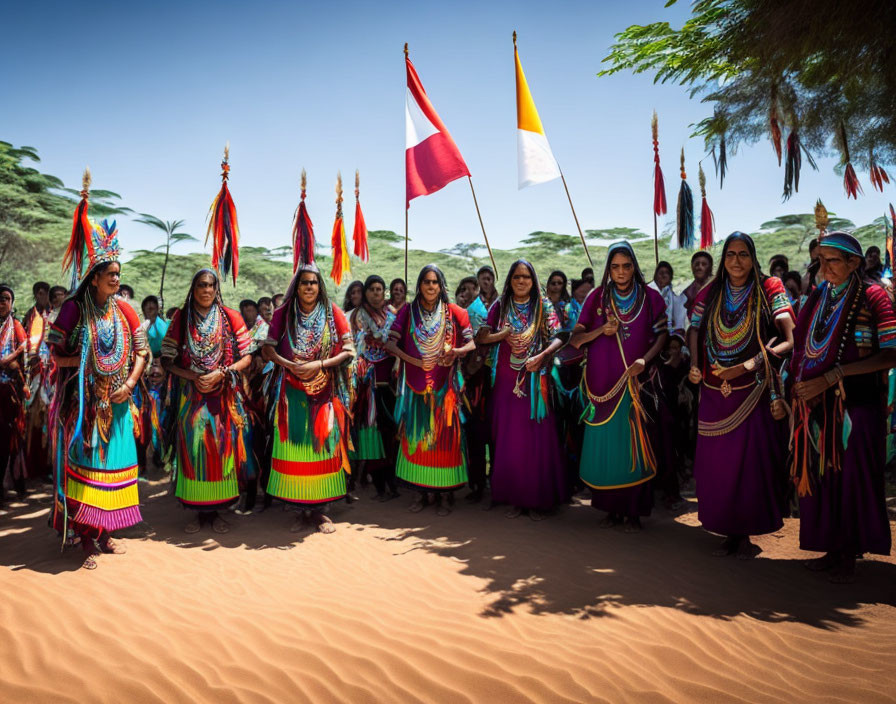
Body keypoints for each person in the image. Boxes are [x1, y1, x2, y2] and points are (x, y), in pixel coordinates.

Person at [791, 232, 896, 583]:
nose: (824, 268)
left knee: (854, 479)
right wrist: (802, 383)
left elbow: (891, 353)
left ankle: (849, 551)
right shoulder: (819, 296)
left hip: (859, 407)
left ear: (854, 263)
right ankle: (832, 547)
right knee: (826, 479)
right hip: (819, 407)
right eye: (820, 260)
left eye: (832, 260)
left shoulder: (873, 296)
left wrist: (835, 375)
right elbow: (802, 345)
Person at [47, 214, 148, 569]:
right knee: (87, 468)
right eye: (111, 275)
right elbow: (54, 352)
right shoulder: (75, 308)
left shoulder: (124, 309)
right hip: (85, 406)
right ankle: (85, 537)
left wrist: (131, 383)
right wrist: (83, 362)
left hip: (119, 402)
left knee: (115, 468)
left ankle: (105, 532)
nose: (117, 280)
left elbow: (142, 351)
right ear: (94, 279)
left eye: (119, 275)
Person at [688, 232, 795, 559]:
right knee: (717, 464)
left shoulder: (770, 288)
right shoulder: (711, 290)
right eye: (731, 254)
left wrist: (748, 365)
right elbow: (693, 328)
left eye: (743, 254)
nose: (736, 261)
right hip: (713, 389)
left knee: (748, 465)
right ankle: (726, 528)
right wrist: (694, 363)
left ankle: (743, 531)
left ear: (753, 257)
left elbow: (789, 338)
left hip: (753, 391)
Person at [570, 242, 668, 532]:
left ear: (634, 266)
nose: (621, 272)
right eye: (615, 266)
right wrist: (601, 330)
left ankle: (634, 511)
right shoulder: (596, 298)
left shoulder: (650, 297)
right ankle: (610, 509)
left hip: (635, 383)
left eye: (626, 266)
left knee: (632, 446)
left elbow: (662, 336)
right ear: (608, 269)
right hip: (601, 386)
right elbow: (576, 340)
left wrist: (644, 360)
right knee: (607, 447)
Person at [261, 264, 355, 533]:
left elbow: (349, 350)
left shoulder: (333, 312)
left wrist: (320, 365)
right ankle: (300, 510)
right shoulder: (283, 314)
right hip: (291, 392)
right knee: (296, 450)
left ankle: (321, 511)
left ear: (320, 286)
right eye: (304, 283)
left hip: (324, 391)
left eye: (314, 282)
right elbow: (267, 350)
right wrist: (287, 364)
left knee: (321, 448)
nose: (309, 287)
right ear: (297, 286)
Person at [161, 269, 256, 534]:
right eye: (201, 285)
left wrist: (222, 372)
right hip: (192, 397)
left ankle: (217, 511)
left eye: (211, 285)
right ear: (194, 288)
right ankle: (198, 512)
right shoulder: (181, 318)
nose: (206, 290)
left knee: (221, 448)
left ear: (216, 289)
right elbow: (167, 359)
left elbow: (247, 356)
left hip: (223, 396)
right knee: (194, 449)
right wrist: (193, 376)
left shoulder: (231, 316)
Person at [477, 260, 567, 519]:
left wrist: (543, 355)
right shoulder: (500, 305)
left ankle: (538, 499)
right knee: (512, 439)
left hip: (536, 380)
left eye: (526, 277)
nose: (521, 281)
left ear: (533, 279)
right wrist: (501, 335)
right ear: (509, 279)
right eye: (516, 277)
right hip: (507, 381)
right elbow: (480, 338)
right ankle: (516, 498)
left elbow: (561, 336)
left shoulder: (543, 305)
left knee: (537, 438)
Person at [385, 265, 475, 515]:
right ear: (420, 285)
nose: (431, 286)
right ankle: (420, 493)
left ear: (441, 285)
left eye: (435, 282)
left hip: (445, 389)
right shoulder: (407, 312)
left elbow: (472, 342)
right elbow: (390, 344)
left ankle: (445, 495)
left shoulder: (455, 312)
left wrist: (456, 352)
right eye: (426, 281)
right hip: (415, 388)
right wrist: (413, 360)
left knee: (445, 441)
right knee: (418, 439)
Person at [350, 275, 399, 502]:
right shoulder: (358, 316)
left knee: (392, 434)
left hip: (391, 383)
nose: (376, 293)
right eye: (372, 289)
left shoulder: (394, 315)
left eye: (380, 289)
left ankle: (394, 482)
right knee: (372, 434)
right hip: (368, 384)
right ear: (366, 292)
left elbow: (399, 343)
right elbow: (357, 346)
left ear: (384, 292)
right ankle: (379, 485)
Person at [0, 284, 27, 509]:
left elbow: (24, 350)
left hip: (8, 391)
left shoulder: (16, 326)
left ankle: (9, 485)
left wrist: (11, 359)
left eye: (6, 299)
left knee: (7, 439)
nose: (2, 303)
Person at [22, 281, 52, 480]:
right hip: (34, 374)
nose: (42, 296)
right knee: (33, 418)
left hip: (52, 373)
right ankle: (32, 466)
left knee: (50, 419)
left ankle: (49, 466)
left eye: (45, 293)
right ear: (35, 295)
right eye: (39, 293)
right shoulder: (30, 316)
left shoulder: (55, 315)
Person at [648, 261, 688, 334]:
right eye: (661, 273)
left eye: (667, 273)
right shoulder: (648, 291)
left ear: (671, 278)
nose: (663, 275)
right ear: (655, 276)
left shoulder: (669, 292)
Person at [682, 251, 714, 317]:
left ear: (710, 267)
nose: (700, 267)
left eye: (704, 264)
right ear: (692, 267)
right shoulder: (687, 292)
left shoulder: (718, 285)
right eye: (697, 264)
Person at [467, 265, 498, 332]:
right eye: (483, 279)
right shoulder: (472, 304)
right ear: (478, 281)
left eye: (489, 279)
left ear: (493, 281)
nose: (486, 282)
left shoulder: (501, 301)